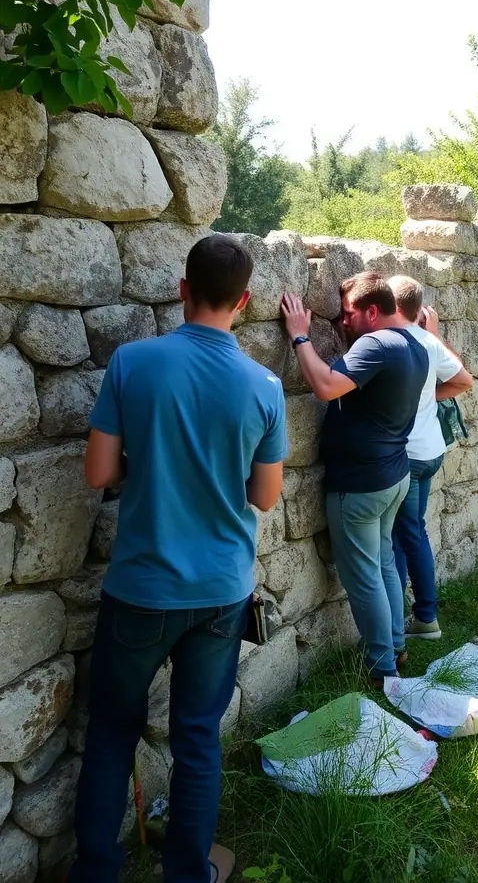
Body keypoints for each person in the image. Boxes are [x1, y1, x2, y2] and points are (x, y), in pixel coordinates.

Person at [70, 236, 288, 883]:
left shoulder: (133, 364)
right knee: (198, 739)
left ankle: (96, 871)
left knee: (112, 733)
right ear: (244, 302)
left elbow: (97, 473)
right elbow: (266, 496)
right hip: (222, 593)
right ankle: (189, 874)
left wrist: (153, 463)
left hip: (139, 588)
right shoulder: (264, 385)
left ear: (181, 287)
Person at [280, 273, 428, 685]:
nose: (342, 322)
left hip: (360, 485)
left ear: (373, 312)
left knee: (365, 579)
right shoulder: (414, 344)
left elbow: (327, 387)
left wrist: (299, 337)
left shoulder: (378, 343)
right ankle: (395, 647)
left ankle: (382, 668)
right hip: (392, 475)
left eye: (348, 314)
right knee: (383, 567)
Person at [387, 276, 473, 640]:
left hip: (409, 454)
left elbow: (463, 383)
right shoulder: (427, 341)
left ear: (392, 306)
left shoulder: (398, 342)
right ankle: (413, 612)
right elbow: (463, 381)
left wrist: (414, 400)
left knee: (410, 533)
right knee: (406, 532)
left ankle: (425, 617)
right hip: (431, 450)